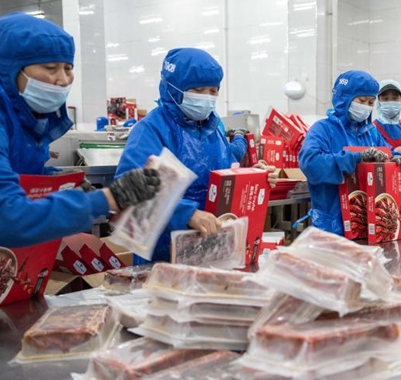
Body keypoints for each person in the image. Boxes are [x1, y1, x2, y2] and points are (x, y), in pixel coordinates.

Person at [0, 12, 159, 248]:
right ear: (8, 70)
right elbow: (8, 219)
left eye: (68, 68)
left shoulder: (25, 121)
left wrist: (55, 182)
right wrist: (107, 199)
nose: (63, 80)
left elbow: (17, 175)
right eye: (50, 67)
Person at [115, 48, 277, 264]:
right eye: (198, 90)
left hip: (212, 248)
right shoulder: (151, 130)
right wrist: (187, 214)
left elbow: (227, 173)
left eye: (213, 91)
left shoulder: (213, 129)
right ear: (174, 88)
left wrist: (256, 175)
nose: (207, 98)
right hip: (163, 254)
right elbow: (129, 190)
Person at [299, 70, 401, 235]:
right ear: (344, 98)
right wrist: (356, 158)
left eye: (371, 102)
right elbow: (310, 163)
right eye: (361, 100)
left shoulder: (371, 133)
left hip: (369, 223)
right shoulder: (323, 130)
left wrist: (397, 159)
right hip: (331, 227)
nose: (366, 107)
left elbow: (389, 153)